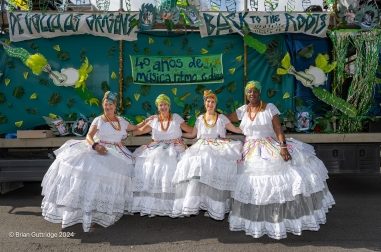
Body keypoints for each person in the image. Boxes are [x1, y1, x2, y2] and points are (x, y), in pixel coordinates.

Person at [227, 81, 335, 239]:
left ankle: (277, 218)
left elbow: (278, 128)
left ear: (259, 92)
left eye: (255, 91)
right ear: (246, 94)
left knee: (277, 180)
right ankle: (259, 219)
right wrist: (211, 120)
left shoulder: (269, 108)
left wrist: (283, 147)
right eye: (249, 92)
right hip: (249, 149)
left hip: (268, 145)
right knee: (251, 183)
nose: (252, 94)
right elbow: (224, 120)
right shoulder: (243, 110)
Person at [41, 91, 142, 232]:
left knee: (112, 181)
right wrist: (95, 146)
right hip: (99, 150)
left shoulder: (122, 121)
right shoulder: (98, 120)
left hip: (118, 153)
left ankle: (104, 211)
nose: (108, 107)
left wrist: (154, 120)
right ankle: (90, 213)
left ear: (115, 106)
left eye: (111, 104)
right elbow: (89, 136)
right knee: (94, 181)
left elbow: (137, 127)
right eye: (106, 104)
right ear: (103, 105)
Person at [172, 90, 242, 220]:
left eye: (213, 102)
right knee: (194, 166)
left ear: (216, 104)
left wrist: (250, 128)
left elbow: (236, 129)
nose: (210, 104)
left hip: (217, 146)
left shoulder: (221, 118)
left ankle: (214, 206)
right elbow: (193, 134)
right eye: (208, 101)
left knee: (213, 168)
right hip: (201, 145)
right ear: (204, 103)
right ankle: (198, 202)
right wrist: (177, 134)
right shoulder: (200, 118)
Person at [131, 94, 193, 217]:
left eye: (165, 104)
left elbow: (191, 131)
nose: (163, 107)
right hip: (156, 148)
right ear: (157, 107)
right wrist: (145, 121)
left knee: (172, 166)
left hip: (175, 148)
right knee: (148, 165)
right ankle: (154, 205)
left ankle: (175, 205)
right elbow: (137, 132)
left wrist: (181, 137)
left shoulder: (176, 118)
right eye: (160, 105)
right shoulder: (154, 120)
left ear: (169, 106)